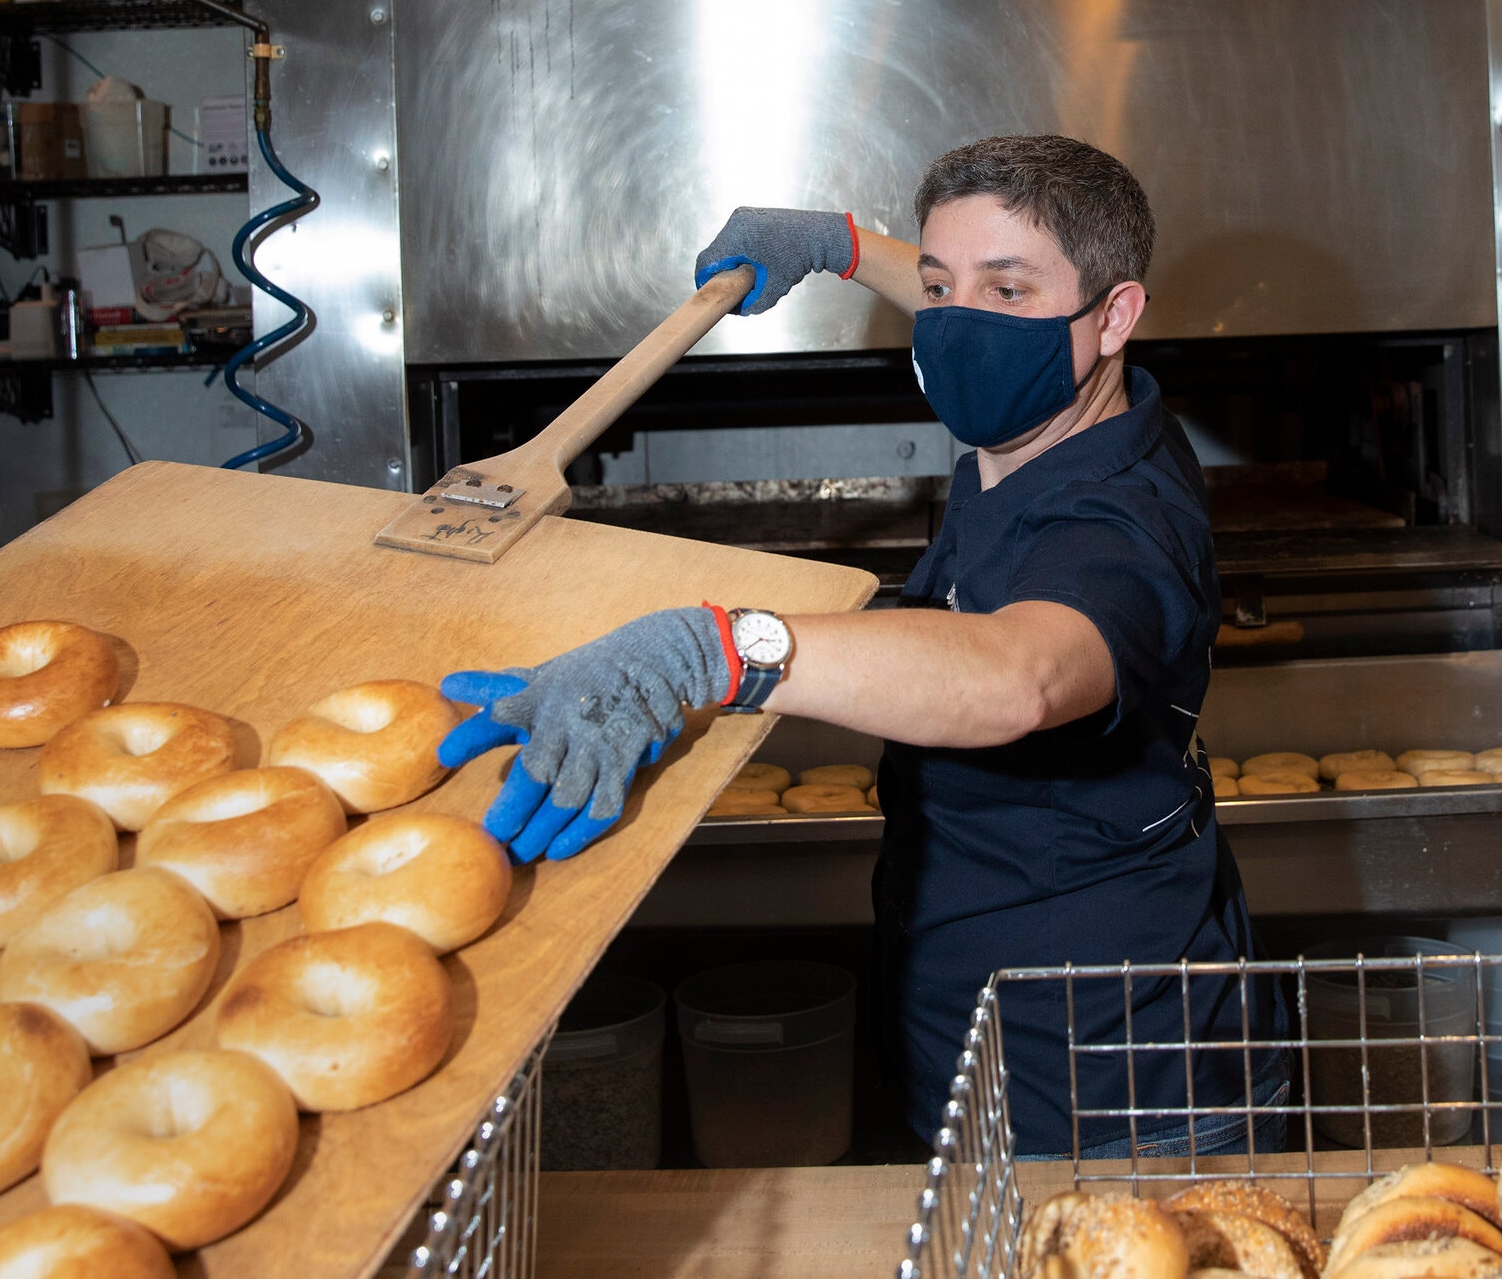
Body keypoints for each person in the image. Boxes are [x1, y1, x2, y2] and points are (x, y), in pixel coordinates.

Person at [437, 134, 1286, 1158]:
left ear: (1114, 314)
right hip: (974, 1004)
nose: (959, 322)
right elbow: (973, 285)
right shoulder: (1048, 416)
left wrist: (718, 651)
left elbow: (1018, 677)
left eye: (1007, 294)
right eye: (937, 285)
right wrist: (840, 246)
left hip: (1108, 1067)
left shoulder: (1114, 523)